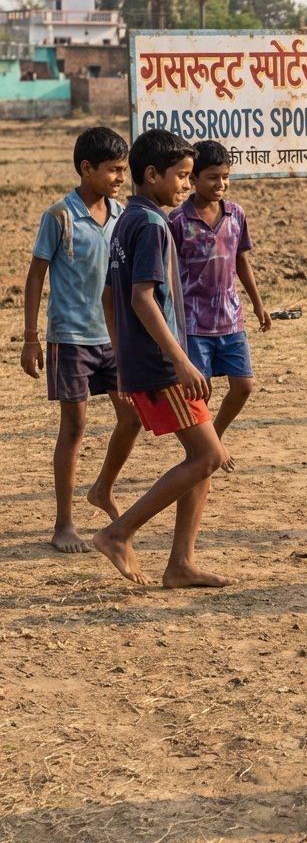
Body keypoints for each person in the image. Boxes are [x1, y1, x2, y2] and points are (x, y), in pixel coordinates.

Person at [92, 129, 234, 589]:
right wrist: (180, 361)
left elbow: (109, 296)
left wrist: (122, 359)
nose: (186, 185)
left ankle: (181, 564)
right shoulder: (153, 225)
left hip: (144, 360)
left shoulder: (126, 219)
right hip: (161, 363)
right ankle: (118, 533)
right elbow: (141, 299)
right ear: (152, 174)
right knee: (208, 455)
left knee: (204, 456)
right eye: (182, 176)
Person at [21, 127, 142, 553]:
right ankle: (64, 523)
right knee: (74, 428)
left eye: (124, 170)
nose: (120, 178)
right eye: (113, 170)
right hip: (70, 339)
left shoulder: (122, 215)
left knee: (132, 417)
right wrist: (31, 338)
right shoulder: (60, 216)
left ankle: (102, 488)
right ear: (87, 169)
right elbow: (36, 275)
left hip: (114, 339)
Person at [168, 140, 271, 471]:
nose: (220, 184)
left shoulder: (235, 214)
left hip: (230, 318)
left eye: (225, 177)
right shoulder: (177, 221)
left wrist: (257, 304)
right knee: (201, 393)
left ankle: (214, 438)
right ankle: (203, 452)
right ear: (193, 178)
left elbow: (241, 260)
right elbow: (168, 272)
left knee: (244, 385)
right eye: (212, 177)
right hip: (193, 323)